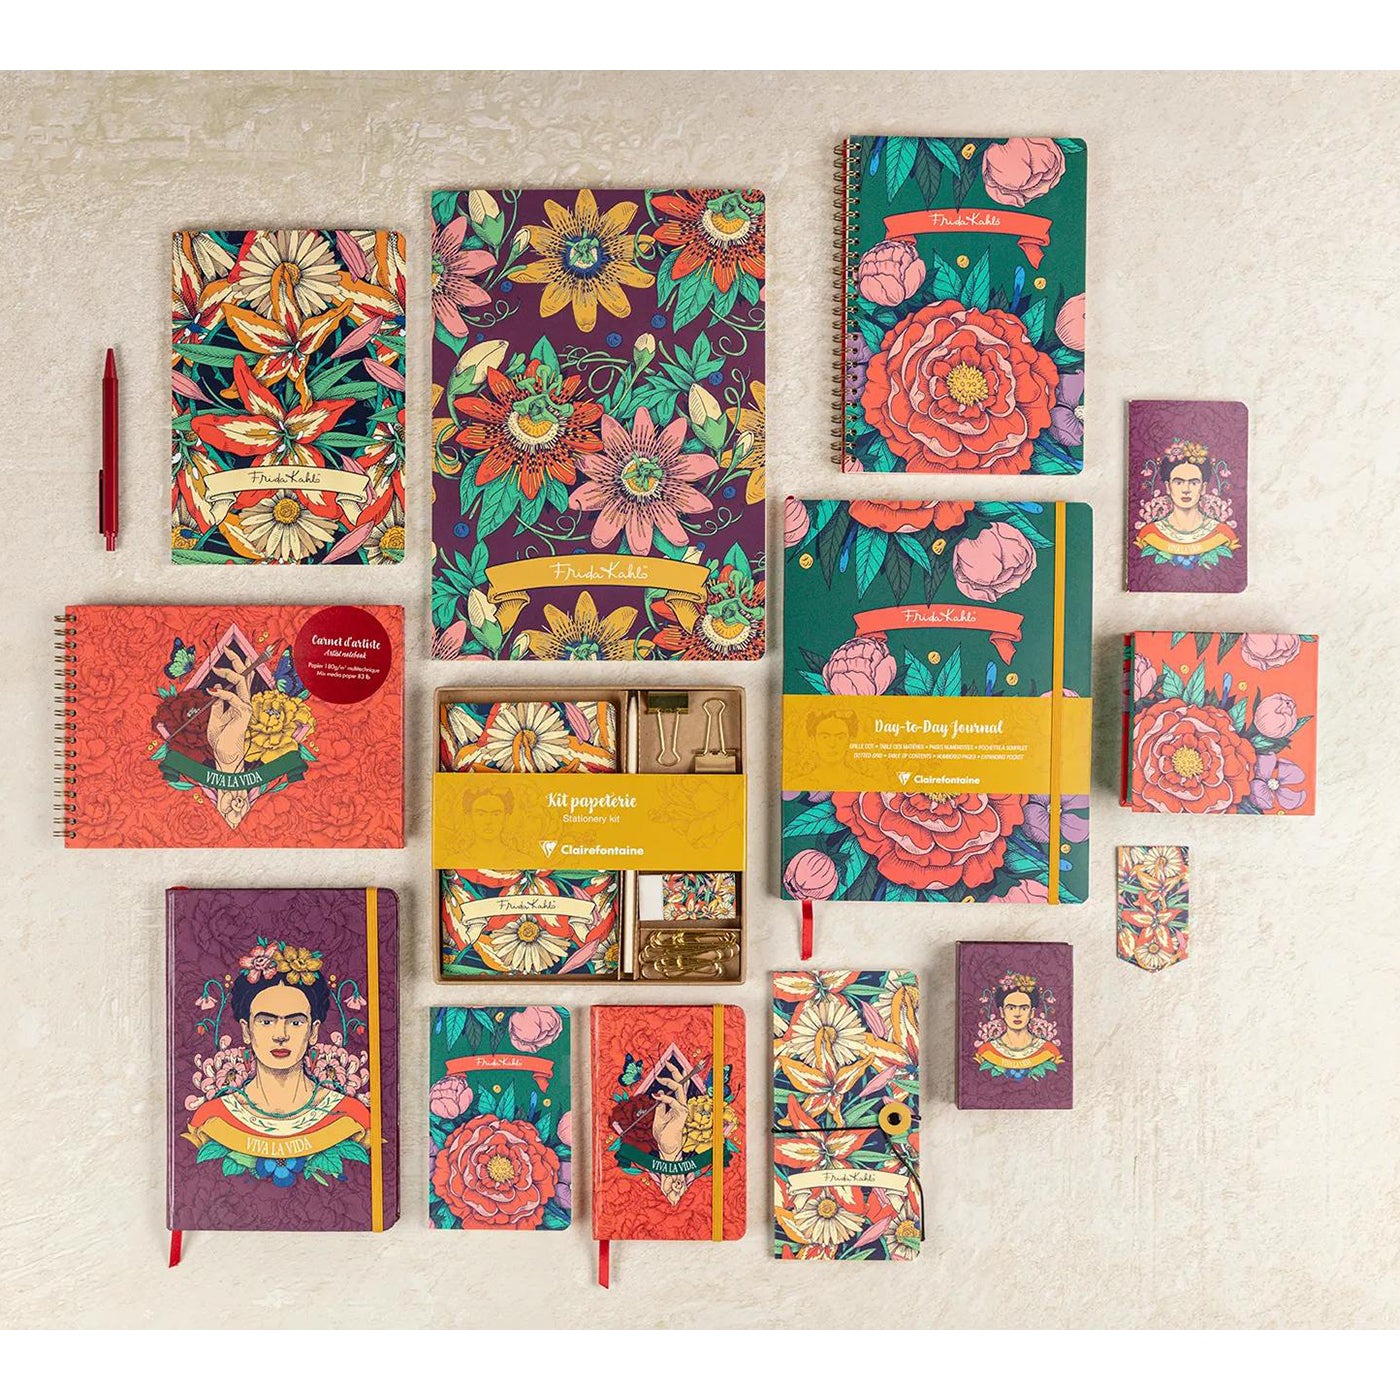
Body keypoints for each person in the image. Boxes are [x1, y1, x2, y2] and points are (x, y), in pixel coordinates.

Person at [185, 952, 369, 1185]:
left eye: (295, 1022)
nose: (281, 1035)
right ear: (246, 1030)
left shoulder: (350, 1116)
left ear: (313, 1031)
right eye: (266, 1021)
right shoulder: (213, 1118)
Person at [1134, 440, 1239, 567]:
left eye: (1194, 483)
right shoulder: (1149, 534)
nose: (1186, 490)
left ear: (1203, 488)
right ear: (1168, 487)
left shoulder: (1223, 534)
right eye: (1178, 482)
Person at [973, 976, 1063, 1078]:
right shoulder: (986, 1051)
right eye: (1011, 1008)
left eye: (1024, 1008)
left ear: (1032, 1012)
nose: (1017, 1014)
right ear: (1002, 1012)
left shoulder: (1049, 1051)